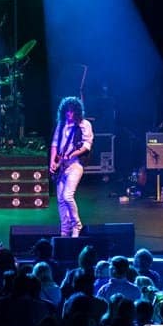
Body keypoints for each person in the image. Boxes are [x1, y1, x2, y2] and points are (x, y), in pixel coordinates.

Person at [49, 96, 93, 237]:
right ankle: (65, 229)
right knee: (61, 199)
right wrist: (52, 162)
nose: (69, 114)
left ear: (77, 112)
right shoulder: (61, 125)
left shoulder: (84, 124)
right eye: (67, 112)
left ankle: (77, 225)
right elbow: (55, 144)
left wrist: (73, 153)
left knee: (68, 196)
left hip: (75, 165)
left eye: (72, 112)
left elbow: (86, 145)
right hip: (61, 166)